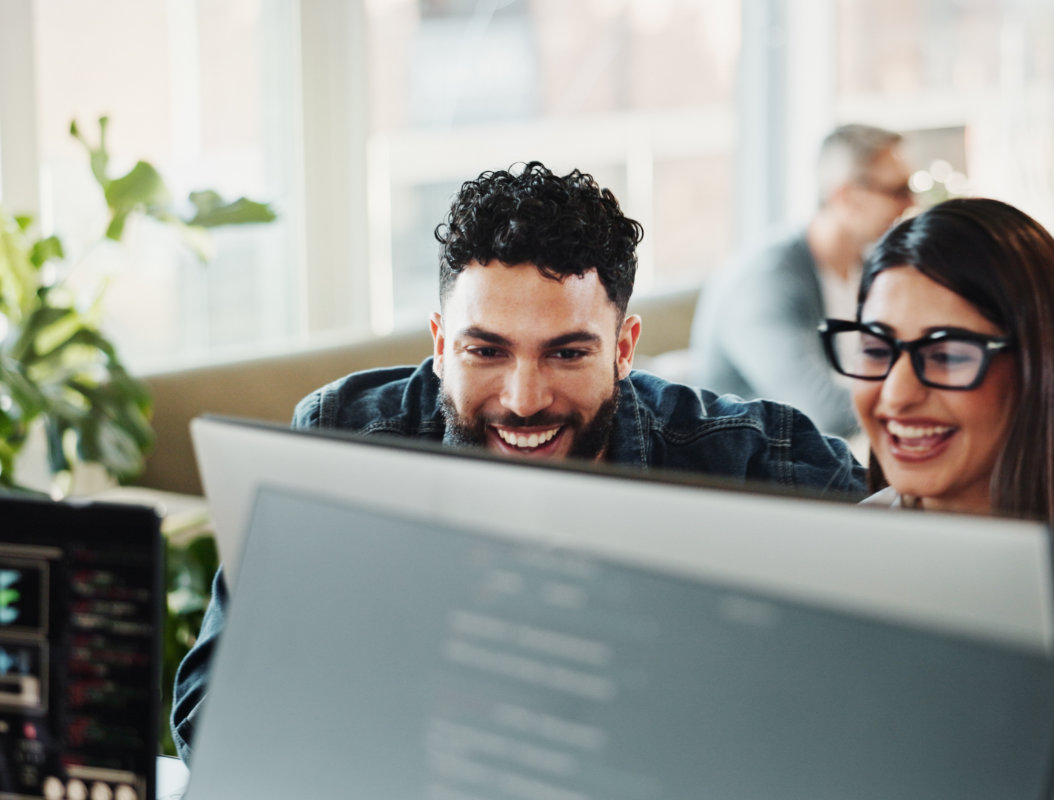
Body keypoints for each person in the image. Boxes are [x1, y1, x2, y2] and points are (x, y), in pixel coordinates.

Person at [170, 162, 866, 763]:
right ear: (442, 345)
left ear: (624, 348)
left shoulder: (753, 461)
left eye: (567, 352)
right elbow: (210, 713)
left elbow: (877, 712)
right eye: (486, 351)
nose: (524, 400)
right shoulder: (341, 440)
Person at [819, 197, 1054, 799]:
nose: (895, 394)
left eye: (945, 353)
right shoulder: (836, 556)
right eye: (875, 349)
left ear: (1038, 368)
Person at [690, 123, 914, 438]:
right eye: (899, 190)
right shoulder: (764, 282)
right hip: (752, 468)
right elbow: (821, 413)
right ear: (847, 197)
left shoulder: (867, 266)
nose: (911, 204)